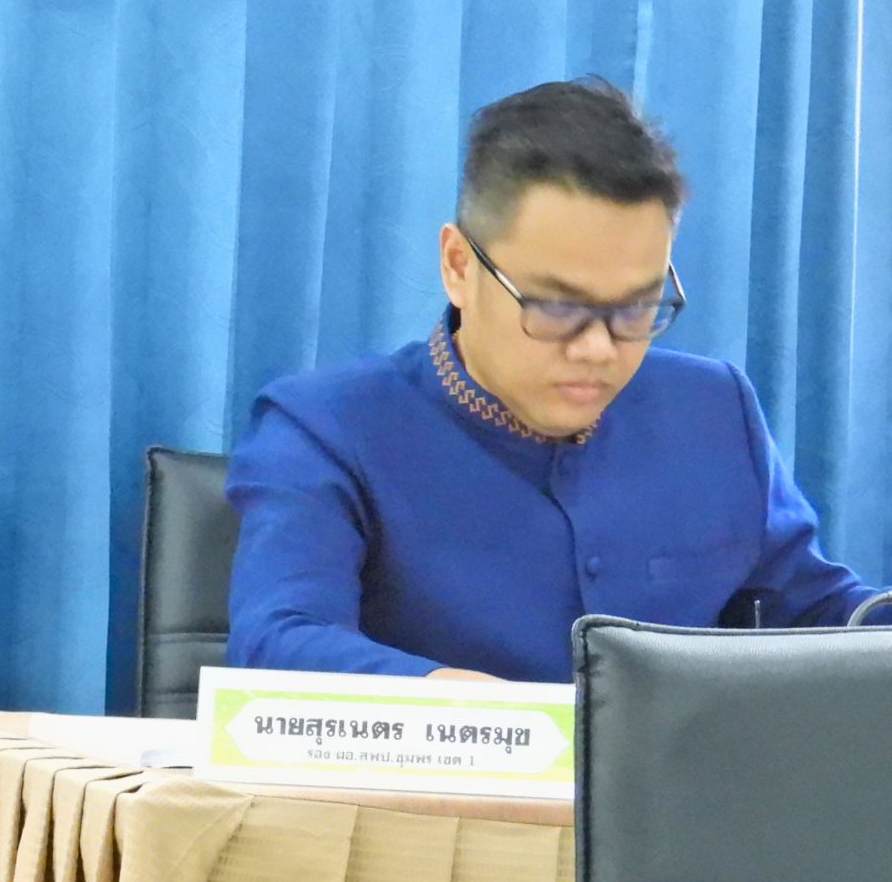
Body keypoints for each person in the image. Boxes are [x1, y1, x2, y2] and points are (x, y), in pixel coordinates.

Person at [226, 78, 880, 682]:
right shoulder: (327, 428)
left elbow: (817, 613)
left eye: (636, 308)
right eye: (556, 306)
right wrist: (461, 708)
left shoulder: (713, 409)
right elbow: (279, 639)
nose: (597, 348)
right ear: (459, 266)